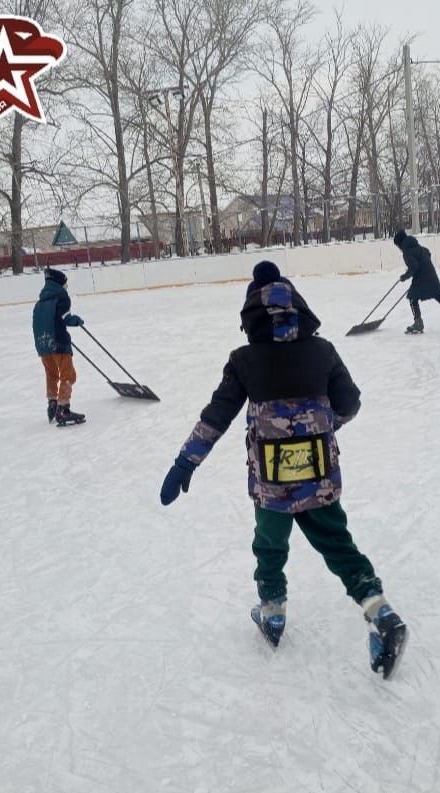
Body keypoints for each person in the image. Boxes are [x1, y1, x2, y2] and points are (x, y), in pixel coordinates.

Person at [159, 260, 407, 679]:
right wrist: (323, 424)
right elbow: (350, 404)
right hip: (320, 478)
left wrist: (186, 462)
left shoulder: (244, 360)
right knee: (339, 546)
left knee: (269, 547)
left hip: (272, 488)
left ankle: (272, 613)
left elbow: (216, 417)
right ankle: (380, 612)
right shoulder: (323, 350)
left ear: (251, 316)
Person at [32, 268, 86, 426]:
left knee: (51, 374)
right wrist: (74, 320)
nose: (66, 287)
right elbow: (65, 318)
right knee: (68, 375)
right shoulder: (61, 297)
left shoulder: (40, 303)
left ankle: (52, 402)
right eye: (65, 284)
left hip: (43, 345)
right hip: (58, 343)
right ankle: (63, 408)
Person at [393, 228, 440, 334]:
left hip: (422, 279)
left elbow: (414, 267)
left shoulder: (407, 252)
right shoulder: (418, 247)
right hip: (431, 275)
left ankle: (418, 323)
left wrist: (404, 276)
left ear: (400, 244)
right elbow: (428, 253)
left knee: (412, 298)